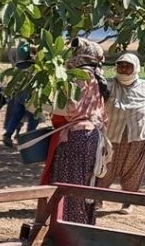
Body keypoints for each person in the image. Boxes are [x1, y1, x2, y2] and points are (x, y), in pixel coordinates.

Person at [38, 37, 110, 225]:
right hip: (92, 136)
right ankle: (84, 226)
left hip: (76, 137)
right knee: (84, 184)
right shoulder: (97, 76)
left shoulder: (81, 76)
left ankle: (69, 226)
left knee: (69, 185)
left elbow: (71, 109)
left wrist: (45, 106)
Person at [97, 53, 145, 215]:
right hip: (112, 135)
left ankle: (128, 203)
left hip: (139, 136)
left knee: (134, 170)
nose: (123, 68)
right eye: (120, 65)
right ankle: (98, 198)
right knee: (106, 166)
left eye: (128, 66)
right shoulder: (110, 85)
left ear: (136, 68)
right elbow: (99, 100)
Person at [2, 41, 39, 148]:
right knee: (34, 117)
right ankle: (29, 138)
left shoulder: (18, 66)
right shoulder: (33, 66)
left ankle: (8, 134)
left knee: (17, 115)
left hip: (19, 94)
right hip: (30, 95)